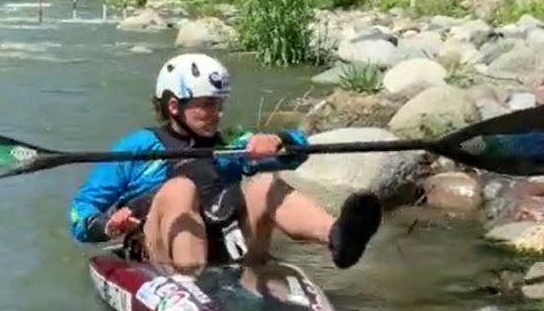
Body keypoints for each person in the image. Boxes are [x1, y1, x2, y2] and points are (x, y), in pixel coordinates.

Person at [68, 53, 381, 272]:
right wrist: (107, 226)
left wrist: (279, 140)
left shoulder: (231, 142)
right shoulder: (137, 146)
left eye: (219, 105)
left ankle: (338, 238)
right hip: (162, 256)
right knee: (180, 189)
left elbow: (298, 154)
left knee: (264, 184)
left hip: (226, 245)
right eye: (207, 105)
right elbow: (80, 212)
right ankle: (192, 283)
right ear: (174, 106)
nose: (217, 114)